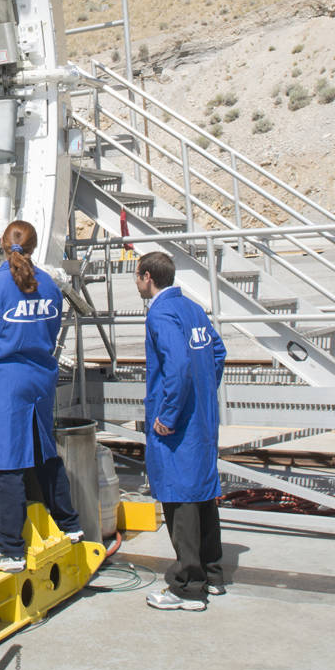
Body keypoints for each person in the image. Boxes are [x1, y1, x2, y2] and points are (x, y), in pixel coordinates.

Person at [0, 219, 83, 572]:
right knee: (43, 452)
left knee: (6, 463)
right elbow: (53, 330)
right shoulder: (51, 288)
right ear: (35, 244)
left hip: (5, 383)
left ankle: (9, 548)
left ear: (2, 244)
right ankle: (70, 524)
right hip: (40, 379)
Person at [134, 250, 227, 611]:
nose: (137, 282)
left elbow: (177, 363)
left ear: (146, 277)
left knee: (180, 495)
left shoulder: (160, 313)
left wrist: (169, 413)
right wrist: (204, 388)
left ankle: (188, 586)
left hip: (178, 418)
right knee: (204, 491)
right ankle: (212, 573)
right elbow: (217, 352)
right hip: (201, 413)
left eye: (137, 276)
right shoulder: (192, 308)